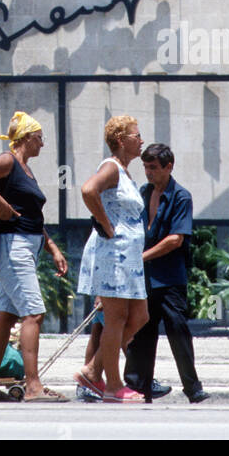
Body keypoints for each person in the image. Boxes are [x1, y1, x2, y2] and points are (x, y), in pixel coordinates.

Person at [0, 110, 69, 402]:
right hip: (12, 248)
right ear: (26, 138)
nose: (43, 144)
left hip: (25, 246)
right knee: (33, 314)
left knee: (6, 316)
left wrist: (51, 247)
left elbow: (32, 215)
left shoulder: (24, 168)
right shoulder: (8, 160)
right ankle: (34, 386)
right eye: (39, 138)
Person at [123, 143, 210, 404]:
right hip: (145, 279)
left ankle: (192, 388)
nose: (149, 173)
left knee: (178, 331)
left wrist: (142, 257)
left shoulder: (181, 196)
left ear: (168, 167)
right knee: (142, 334)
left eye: (154, 168)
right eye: (146, 167)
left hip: (170, 278)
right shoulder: (143, 192)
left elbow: (175, 239)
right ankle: (140, 386)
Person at [76, 114, 149, 403]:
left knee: (140, 315)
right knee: (116, 317)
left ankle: (94, 369)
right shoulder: (111, 167)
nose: (141, 140)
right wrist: (106, 225)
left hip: (129, 258)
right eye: (136, 135)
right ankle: (112, 385)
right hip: (114, 254)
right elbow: (87, 190)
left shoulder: (125, 172)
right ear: (121, 140)